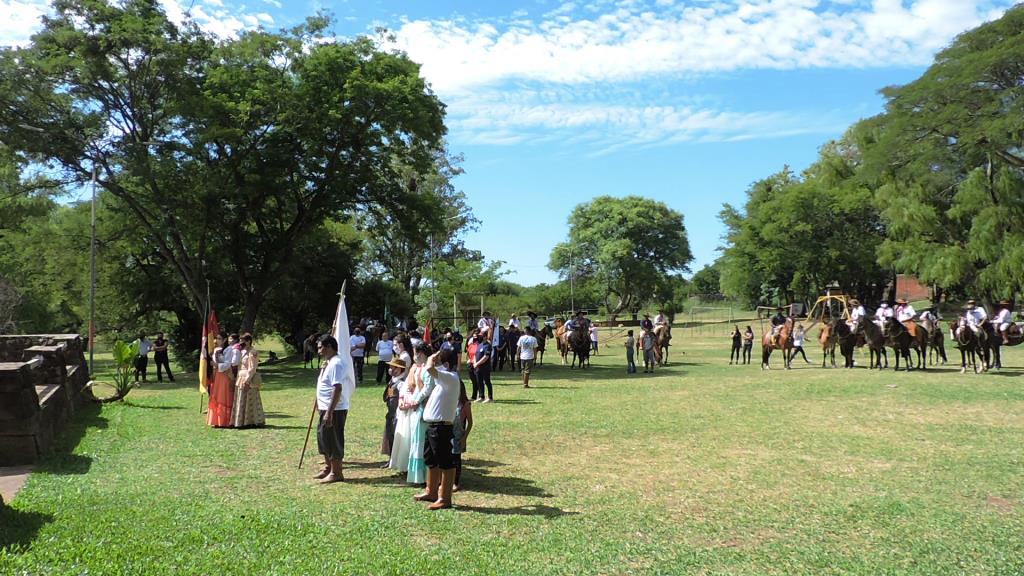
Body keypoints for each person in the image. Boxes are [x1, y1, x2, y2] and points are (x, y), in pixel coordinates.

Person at [412, 349, 461, 510]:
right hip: (433, 426)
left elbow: (429, 369)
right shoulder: (443, 381)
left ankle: (444, 498)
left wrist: (431, 360)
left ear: (446, 365)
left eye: (439, 362)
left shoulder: (451, 378)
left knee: (445, 462)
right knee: (431, 460)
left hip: (442, 428)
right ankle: (431, 491)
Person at [313, 334, 353, 484]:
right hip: (325, 406)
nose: (318, 351)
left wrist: (329, 411)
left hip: (335, 409)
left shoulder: (336, 363)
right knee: (323, 437)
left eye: (320, 347)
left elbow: (337, 388)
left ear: (329, 347)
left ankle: (336, 472)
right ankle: (328, 467)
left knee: (333, 439)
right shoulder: (329, 362)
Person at [403, 343, 435, 484]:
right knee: (416, 440)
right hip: (417, 407)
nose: (414, 356)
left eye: (416, 353)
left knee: (421, 440)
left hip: (424, 407)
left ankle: (424, 475)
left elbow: (428, 388)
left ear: (421, 353)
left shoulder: (428, 370)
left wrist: (416, 400)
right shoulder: (419, 369)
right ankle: (418, 475)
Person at [231, 333, 265, 429]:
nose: (242, 343)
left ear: (249, 341)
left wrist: (247, 380)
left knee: (250, 399)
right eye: (241, 340)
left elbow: (252, 368)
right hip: (240, 377)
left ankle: (253, 421)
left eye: (244, 341)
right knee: (241, 399)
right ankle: (241, 421)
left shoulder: (253, 352)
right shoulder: (242, 351)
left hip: (248, 377)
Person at [380, 358, 407, 463]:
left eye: (392, 367)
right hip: (390, 414)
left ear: (399, 369)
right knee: (390, 436)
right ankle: (391, 458)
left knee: (397, 437)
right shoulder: (393, 380)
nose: (390, 369)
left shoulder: (402, 383)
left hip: (398, 415)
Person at [207, 332, 235, 428]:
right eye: (216, 338)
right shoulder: (216, 350)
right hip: (217, 376)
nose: (216, 340)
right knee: (216, 396)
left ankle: (226, 421)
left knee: (224, 396)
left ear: (224, 340)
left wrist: (216, 365)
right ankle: (217, 420)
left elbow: (228, 364)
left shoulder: (229, 350)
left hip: (225, 375)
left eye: (219, 338)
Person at [451, 381, 473, 492]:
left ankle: (456, 482)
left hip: (458, 435)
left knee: (456, 459)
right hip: (448, 433)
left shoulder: (465, 404)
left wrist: (465, 437)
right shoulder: (449, 401)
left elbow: (470, 422)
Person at [472, 329, 494, 403]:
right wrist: (475, 363)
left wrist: (477, 363)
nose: (479, 337)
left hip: (485, 367)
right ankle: (481, 396)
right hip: (478, 368)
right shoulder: (480, 345)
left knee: (487, 382)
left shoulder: (488, 346)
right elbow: (475, 355)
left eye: (481, 336)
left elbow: (486, 357)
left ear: (485, 337)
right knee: (479, 382)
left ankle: (490, 398)